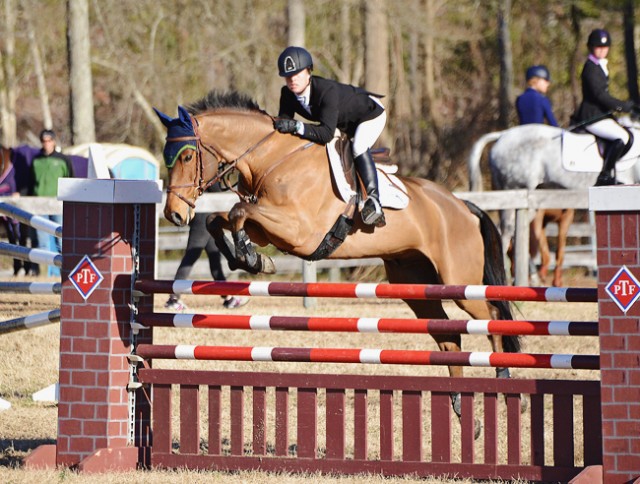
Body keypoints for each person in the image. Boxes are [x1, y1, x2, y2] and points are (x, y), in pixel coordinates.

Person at [273, 46, 387, 227]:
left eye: (297, 74)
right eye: (288, 76)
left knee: (358, 146)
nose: (292, 79)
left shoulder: (326, 91)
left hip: (369, 114)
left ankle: (374, 201)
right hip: (342, 122)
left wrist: (297, 126)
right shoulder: (287, 94)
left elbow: (325, 134)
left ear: (309, 72)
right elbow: (284, 127)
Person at [165, 185, 249, 311]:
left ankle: (228, 298)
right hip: (203, 217)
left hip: (203, 215)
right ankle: (173, 298)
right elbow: (217, 190)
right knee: (192, 255)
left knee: (214, 255)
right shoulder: (210, 169)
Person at [574, 28, 636, 186]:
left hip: (602, 115)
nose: (602, 50)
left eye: (605, 47)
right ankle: (605, 174)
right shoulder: (590, 68)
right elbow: (599, 95)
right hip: (592, 116)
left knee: (627, 134)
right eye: (598, 47)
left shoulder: (599, 66)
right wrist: (622, 106)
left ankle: (614, 171)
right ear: (591, 48)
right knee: (622, 138)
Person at [29, 129, 74, 277]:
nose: (46, 143)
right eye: (43, 140)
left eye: (49, 140)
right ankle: (44, 275)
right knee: (41, 242)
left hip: (57, 206)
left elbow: (71, 180)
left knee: (60, 241)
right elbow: (31, 184)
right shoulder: (36, 161)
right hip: (39, 205)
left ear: (54, 141)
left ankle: (63, 275)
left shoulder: (63, 160)